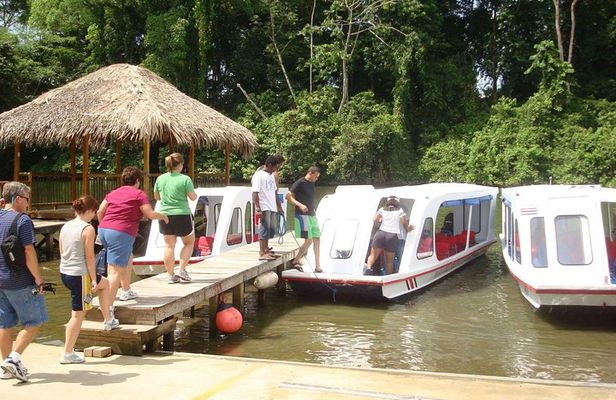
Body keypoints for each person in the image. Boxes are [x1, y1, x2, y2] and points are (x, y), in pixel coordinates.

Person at [59, 196, 117, 364]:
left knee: (105, 284)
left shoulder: (65, 226)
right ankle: (68, 353)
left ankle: (108, 319)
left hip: (66, 273)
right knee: (78, 316)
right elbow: (90, 257)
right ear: (90, 211)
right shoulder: (88, 229)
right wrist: (92, 279)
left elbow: (62, 251)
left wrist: (96, 280)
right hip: (81, 275)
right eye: (94, 212)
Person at [98, 167, 168, 305]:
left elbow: (100, 211)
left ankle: (126, 290)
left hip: (103, 230)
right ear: (137, 181)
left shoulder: (113, 193)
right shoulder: (138, 194)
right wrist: (164, 217)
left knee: (128, 257)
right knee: (114, 271)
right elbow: (150, 214)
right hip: (120, 232)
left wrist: (105, 225)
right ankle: (108, 308)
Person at [0, 182, 48, 382]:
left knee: (5, 323)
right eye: (27, 199)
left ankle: (6, 366)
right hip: (20, 281)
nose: (28, 204)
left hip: (1, 280)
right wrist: (38, 278)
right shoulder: (23, 220)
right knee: (35, 321)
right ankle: (13, 359)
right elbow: (29, 251)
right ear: (18, 199)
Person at [154, 153, 198, 284]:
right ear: (179, 165)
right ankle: (182, 270)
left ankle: (171, 275)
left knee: (169, 246)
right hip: (182, 214)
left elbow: (156, 197)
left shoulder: (160, 179)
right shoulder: (185, 179)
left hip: (164, 215)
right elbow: (193, 197)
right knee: (189, 243)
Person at [365, 196, 413, 276]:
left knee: (372, 255)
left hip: (381, 233)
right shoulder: (400, 211)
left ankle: (368, 269)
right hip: (392, 235)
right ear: (397, 202)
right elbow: (403, 221)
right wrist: (408, 228)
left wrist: (382, 220)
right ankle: (388, 277)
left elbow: (375, 219)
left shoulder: (382, 209)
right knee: (389, 261)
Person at [286, 167, 322, 273]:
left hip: (311, 214)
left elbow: (309, 197)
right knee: (308, 241)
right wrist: (300, 205)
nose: (316, 179)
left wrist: (313, 207)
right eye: (315, 177)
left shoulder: (312, 183)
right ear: (310, 173)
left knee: (317, 238)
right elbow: (288, 197)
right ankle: (295, 261)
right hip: (302, 215)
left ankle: (318, 266)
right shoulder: (299, 183)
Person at [252, 155, 285, 261]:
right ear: (270, 165)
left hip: (272, 206)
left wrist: (279, 207)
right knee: (264, 228)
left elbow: (275, 193)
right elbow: (255, 193)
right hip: (264, 205)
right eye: (275, 167)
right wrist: (258, 208)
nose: (276, 169)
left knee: (271, 229)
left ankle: (266, 249)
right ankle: (262, 252)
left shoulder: (271, 176)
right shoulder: (258, 175)